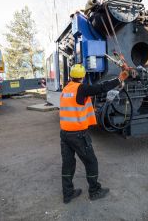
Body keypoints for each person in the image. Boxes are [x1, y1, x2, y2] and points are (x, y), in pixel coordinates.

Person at [59, 64, 129, 203]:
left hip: (65, 134)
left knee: (68, 164)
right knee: (91, 162)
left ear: (71, 76)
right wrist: (119, 79)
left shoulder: (66, 89)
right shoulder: (81, 88)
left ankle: (68, 194)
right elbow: (100, 88)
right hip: (78, 134)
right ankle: (95, 191)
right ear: (83, 76)